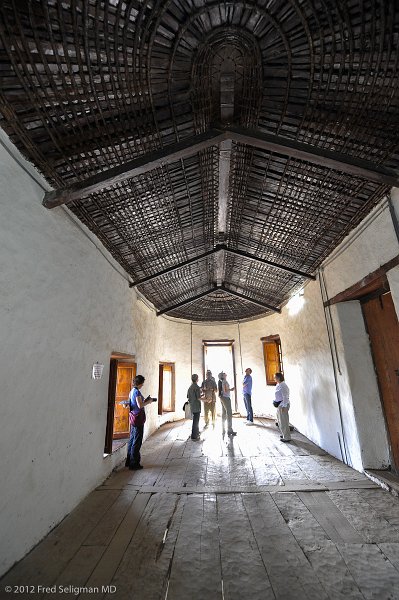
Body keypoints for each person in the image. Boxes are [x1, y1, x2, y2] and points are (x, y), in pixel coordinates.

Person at [125, 375, 155, 470]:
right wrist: (149, 401)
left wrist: (145, 400)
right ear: (140, 383)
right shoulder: (137, 392)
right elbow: (140, 405)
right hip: (138, 418)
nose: (143, 385)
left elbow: (130, 404)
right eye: (142, 383)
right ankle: (134, 464)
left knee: (132, 439)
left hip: (133, 417)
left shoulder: (131, 391)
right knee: (137, 441)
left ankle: (129, 461)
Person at [218, 372, 237, 437]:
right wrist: (231, 389)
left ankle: (223, 429)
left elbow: (223, 390)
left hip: (222, 397)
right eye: (224, 374)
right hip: (226, 398)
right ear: (223, 376)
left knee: (224, 413)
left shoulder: (222, 381)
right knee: (229, 413)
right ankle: (230, 430)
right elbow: (226, 390)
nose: (226, 374)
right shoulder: (224, 381)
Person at [274, 372, 291, 442]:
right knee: (280, 421)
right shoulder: (279, 384)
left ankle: (287, 437)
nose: (274, 378)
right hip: (280, 405)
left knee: (284, 421)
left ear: (278, 378)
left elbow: (285, 396)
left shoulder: (283, 385)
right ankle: (284, 434)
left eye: (275, 377)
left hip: (283, 405)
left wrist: (284, 406)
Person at [187, 374, 202, 440]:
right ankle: (194, 436)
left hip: (192, 405)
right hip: (196, 406)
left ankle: (196, 433)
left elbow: (188, 396)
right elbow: (198, 398)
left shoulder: (190, 387)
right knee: (196, 421)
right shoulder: (196, 387)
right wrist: (206, 399)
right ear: (196, 379)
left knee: (195, 420)